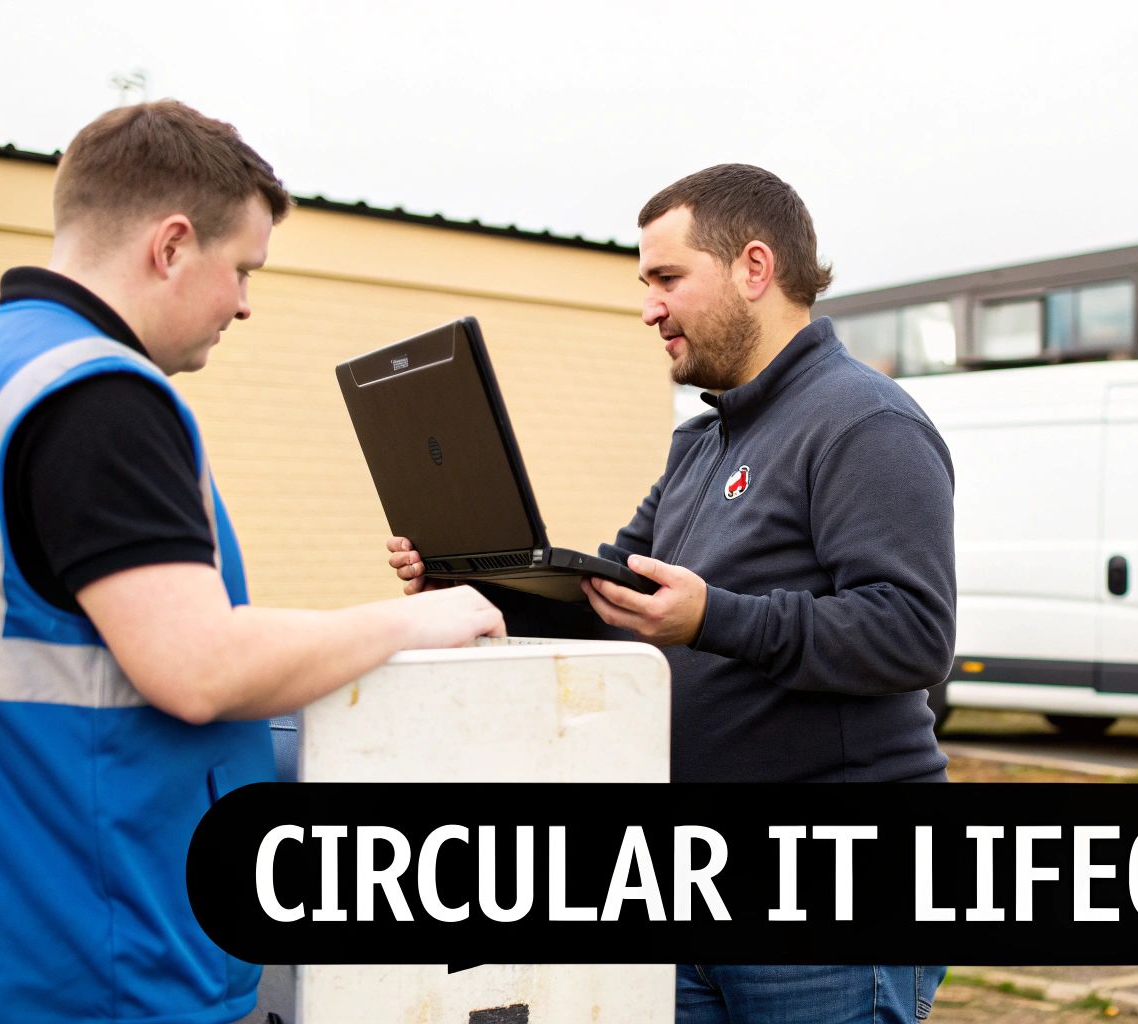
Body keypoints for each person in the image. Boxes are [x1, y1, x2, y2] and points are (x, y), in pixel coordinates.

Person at [0, 101, 504, 1024]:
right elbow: (197, 667)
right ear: (169, 246)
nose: (244, 301)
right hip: (89, 971)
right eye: (240, 268)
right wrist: (419, 619)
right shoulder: (101, 399)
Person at [391, 163, 953, 1022]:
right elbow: (613, 600)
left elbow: (913, 634)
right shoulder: (699, 444)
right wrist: (472, 584)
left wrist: (712, 619)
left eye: (667, 278)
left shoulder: (863, 422)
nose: (649, 307)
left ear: (753, 269)